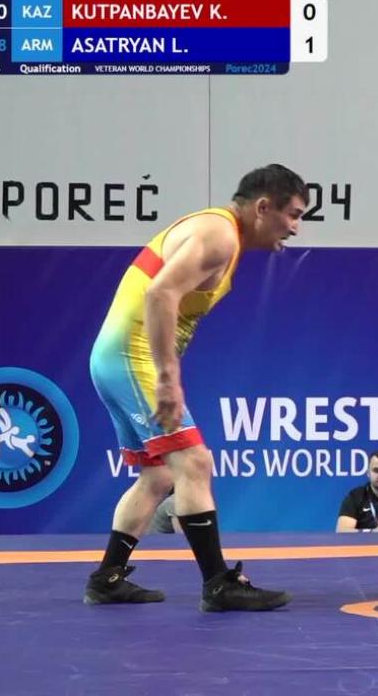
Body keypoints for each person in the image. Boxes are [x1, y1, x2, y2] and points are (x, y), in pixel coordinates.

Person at [83, 164, 302, 612]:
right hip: (131, 357)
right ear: (263, 207)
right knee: (195, 462)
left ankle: (107, 578)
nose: (296, 228)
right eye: (294, 215)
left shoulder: (219, 232)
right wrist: (167, 378)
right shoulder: (219, 234)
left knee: (159, 474)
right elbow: (160, 294)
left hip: (114, 357)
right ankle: (219, 585)